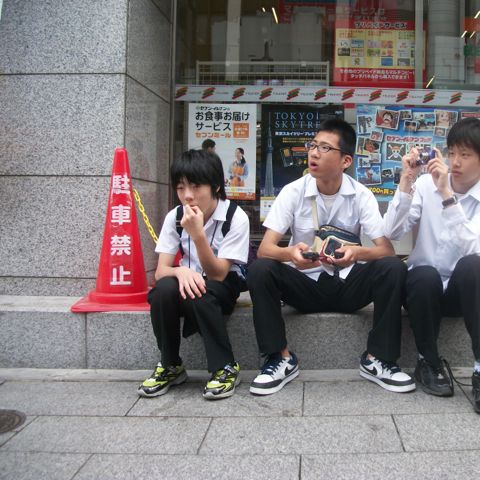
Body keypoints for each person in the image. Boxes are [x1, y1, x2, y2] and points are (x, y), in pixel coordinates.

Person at [247, 118, 414, 396]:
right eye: (313, 146)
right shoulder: (293, 192)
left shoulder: (361, 195)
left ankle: (378, 358)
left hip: (349, 286)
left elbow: (386, 250)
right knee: (261, 269)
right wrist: (290, 253)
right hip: (304, 284)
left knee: (392, 267)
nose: (314, 153)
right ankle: (279, 358)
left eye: (325, 148)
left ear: (345, 160)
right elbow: (265, 249)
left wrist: (357, 253)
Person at [383, 117, 480, 415]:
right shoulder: (425, 185)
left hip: (458, 294)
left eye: (465, 155)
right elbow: (392, 231)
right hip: (423, 292)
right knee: (423, 273)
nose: (455, 162)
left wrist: (447, 196)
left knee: (474, 266)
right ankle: (429, 361)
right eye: (451, 153)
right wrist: (406, 182)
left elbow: (471, 246)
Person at [138, 149, 250, 400]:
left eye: (196, 186)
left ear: (216, 187)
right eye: (180, 188)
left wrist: (198, 235)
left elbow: (219, 274)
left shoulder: (236, 217)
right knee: (162, 291)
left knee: (204, 289)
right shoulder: (175, 217)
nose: (187, 196)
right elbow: (161, 271)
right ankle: (170, 364)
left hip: (222, 286)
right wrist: (182, 271)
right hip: (186, 280)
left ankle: (225, 367)